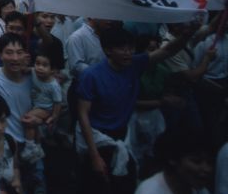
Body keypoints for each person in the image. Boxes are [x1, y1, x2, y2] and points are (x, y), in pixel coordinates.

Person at [76, 26, 192, 194]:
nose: (127, 52)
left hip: (122, 136)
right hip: (98, 139)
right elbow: (83, 115)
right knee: (95, 185)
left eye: (130, 48)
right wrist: (95, 156)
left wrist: (188, 34)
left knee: (124, 183)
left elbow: (167, 50)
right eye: (122, 48)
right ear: (108, 50)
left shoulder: (134, 65)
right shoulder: (91, 75)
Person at [135, 128, 213, 194]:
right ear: (173, 159)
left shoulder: (201, 190)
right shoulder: (149, 191)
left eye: (209, 162)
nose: (207, 169)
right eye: (197, 161)